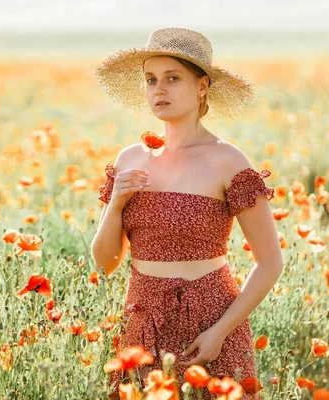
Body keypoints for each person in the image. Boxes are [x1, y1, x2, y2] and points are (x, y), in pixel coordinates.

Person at [90, 27, 284, 400]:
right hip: (142, 321)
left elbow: (270, 263)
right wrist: (115, 203)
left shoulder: (228, 160)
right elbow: (105, 262)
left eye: (172, 78)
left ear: (202, 86)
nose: (158, 90)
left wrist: (220, 332)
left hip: (211, 322)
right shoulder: (129, 159)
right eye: (151, 80)